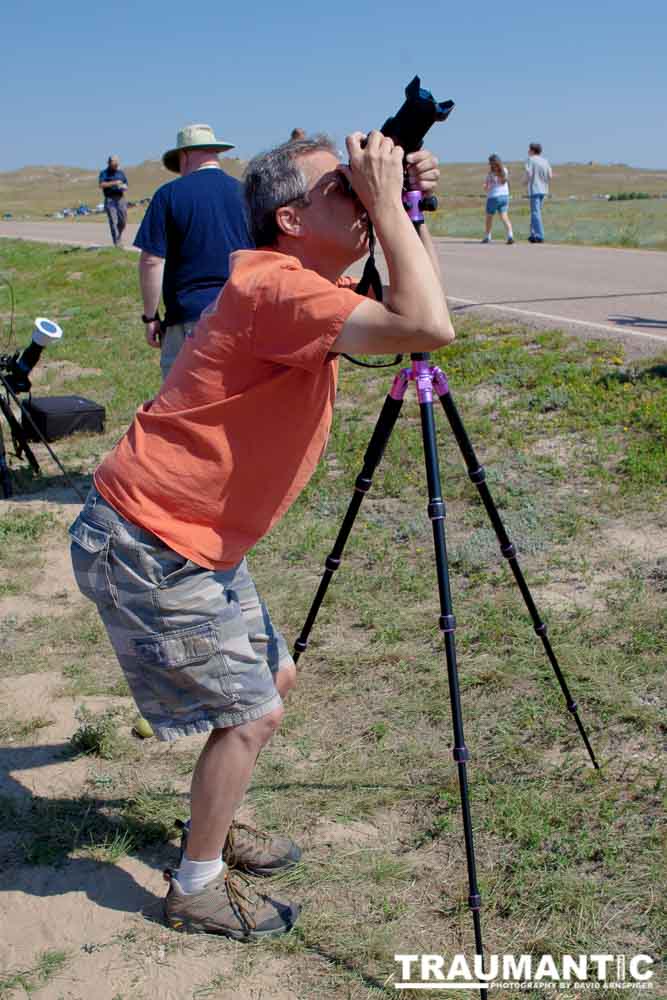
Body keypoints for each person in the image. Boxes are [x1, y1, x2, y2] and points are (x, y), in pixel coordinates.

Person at [69, 130, 455, 940]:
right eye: (340, 191)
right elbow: (426, 326)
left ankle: (212, 820)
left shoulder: (299, 280)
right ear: (288, 217)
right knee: (248, 713)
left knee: (267, 688)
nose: (357, 199)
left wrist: (404, 209)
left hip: (189, 540)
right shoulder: (278, 287)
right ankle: (195, 886)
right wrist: (386, 206)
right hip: (153, 541)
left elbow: (405, 301)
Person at [135, 123, 254, 380]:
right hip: (241, 316)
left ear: (185, 155)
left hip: (189, 318)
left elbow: (152, 261)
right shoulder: (246, 194)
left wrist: (150, 317)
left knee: (182, 404)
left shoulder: (169, 195)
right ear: (214, 152)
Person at [481, 154, 514, 244]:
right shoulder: (505, 171)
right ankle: (510, 235)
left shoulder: (491, 174)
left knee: (489, 217)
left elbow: (487, 187)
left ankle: (487, 236)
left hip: (493, 197)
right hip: (504, 196)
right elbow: (505, 182)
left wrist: (485, 187)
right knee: (504, 216)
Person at [524, 142, 553, 243]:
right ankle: (533, 234)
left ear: (532, 150)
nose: (528, 151)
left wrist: (525, 182)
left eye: (529, 149)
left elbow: (529, 173)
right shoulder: (545, 161)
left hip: (535, 189)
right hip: (544, 189)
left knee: (535, 213)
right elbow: (550, 176)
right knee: (535, 212)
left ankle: (540, 235)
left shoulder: (530, 160)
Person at [98, 155, 128, 246]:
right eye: (114, 163)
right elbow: (101, 185)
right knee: (113, 221)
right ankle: (117, 243)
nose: (116, 165)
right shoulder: (104, 173)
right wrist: (114, 183)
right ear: (109, 163)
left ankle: (119, 235)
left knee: (123, 221)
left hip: (121, 198)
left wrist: (124, 187)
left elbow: (126, 184)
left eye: (117, 164)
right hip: (110, 199)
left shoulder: (121, 173)